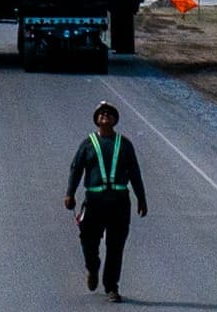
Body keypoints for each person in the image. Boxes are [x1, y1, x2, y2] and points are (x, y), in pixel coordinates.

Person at [64, 99, 148, 301]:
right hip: (94, 202)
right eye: (101, 113)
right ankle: (92, 268)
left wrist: (141, 198)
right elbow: (76, 170)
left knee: (116, 245)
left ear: (115, 119)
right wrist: (70, 193)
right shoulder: (87, 144)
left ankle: (112, 287)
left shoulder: (125, 145)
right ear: (96, 119)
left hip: (119, 202)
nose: (105, 116)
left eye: (109, 113)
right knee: (88, 241)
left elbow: (135, 172)